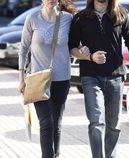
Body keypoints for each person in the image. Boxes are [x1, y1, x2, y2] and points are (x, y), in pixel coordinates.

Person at [69, 0, 129, 157]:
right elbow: (72, 48)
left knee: (113, 124)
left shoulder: (120, 14)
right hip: (90, 76)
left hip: (116, 76)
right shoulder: (81, 17)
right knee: (96, 121)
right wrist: (89, 56)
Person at [18, 0, 76, 157]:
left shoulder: (68, 19)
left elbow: (74, 45)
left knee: (56, 122)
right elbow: (23, 48)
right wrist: (21, 78)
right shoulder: (32, 18)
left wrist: (83, 49)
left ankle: (55, 154)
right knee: (46, 124)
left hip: (62, 79)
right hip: (38, 79)